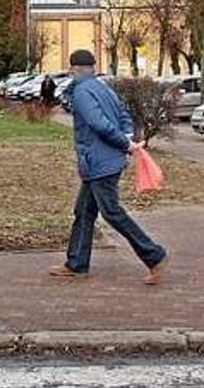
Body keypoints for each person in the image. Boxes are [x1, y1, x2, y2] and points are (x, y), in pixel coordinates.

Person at [49, 49, 169, 284]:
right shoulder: (103, 87)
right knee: (84, 212)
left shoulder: (82, 91)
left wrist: (125, 143)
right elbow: (124, 115)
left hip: (99, 162)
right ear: (92, 68)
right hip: (103, 160)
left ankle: (154, 255)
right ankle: (76, 264)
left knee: (112, 212)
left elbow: (98, 124)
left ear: (73, 69)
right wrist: (127, 138)